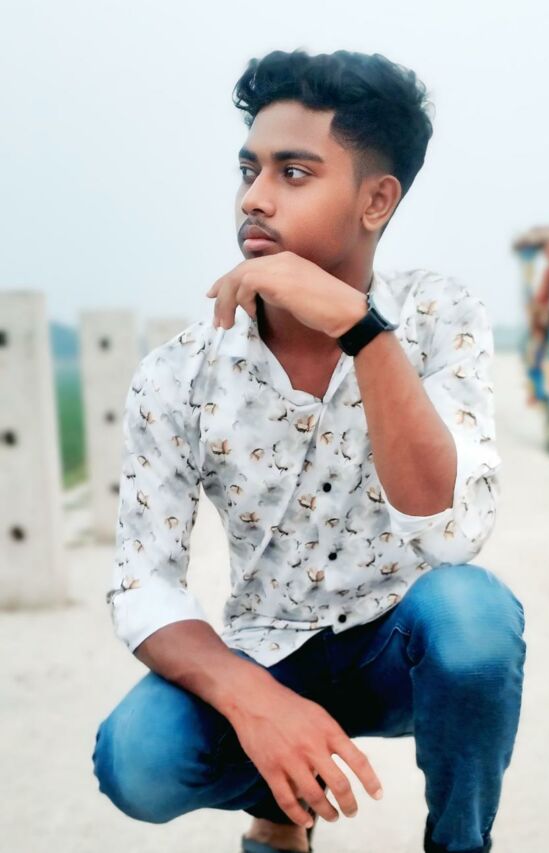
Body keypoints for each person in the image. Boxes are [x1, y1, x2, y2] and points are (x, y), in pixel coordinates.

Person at [91, 49, 526, 853]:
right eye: (248, 169)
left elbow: (450, 532)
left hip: (404, 649)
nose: (253, 198)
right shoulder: (181, 371)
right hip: (268, 648)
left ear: (376, 200)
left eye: (293, 173)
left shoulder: (439, 314)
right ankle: (279, 806)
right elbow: (143, 582)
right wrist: (254, 699)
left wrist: (365, 332)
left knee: (475, 616)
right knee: (134, 758)